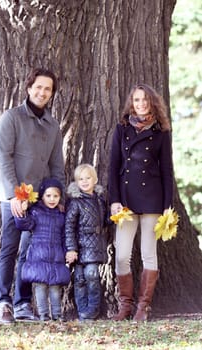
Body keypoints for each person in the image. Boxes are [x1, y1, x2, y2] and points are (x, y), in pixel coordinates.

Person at [0, 67, 65, 324]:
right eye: (38, 87)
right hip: (12, 196)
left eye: (48, 88)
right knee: (10, 249)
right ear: (28, 88)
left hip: (39, 200)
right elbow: (4, 157)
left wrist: (60, 199)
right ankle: (3, 303)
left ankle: (22, 303)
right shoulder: (11, 118)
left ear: (52, 93)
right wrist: (15, 195)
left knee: (29, 251)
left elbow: (57, 165)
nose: (42, 92)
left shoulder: (53, 125)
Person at [108, 83, 173, 322]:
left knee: (149, 253)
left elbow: (166, 170)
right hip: (125, 202)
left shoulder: (161, 132)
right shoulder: (121, 129)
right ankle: (125, 305)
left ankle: (143, 307)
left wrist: (168, 205)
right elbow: (113, 168)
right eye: (137, 100)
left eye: (145, 99)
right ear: (131, 104)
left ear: (152, 102)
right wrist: (113, 200)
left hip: (152, 201)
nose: (141, 104)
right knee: (122, 255)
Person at [14, 178, 70, 321]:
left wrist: (66, 252)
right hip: (38, 256)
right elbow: (24, 225)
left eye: (56, 196)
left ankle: (57, 315)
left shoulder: (61, 215)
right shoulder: (35, 212)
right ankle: (44, 315)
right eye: (48, 195)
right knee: (40, 287)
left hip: (56, 257)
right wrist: (24, 212)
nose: (52, 199)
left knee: (55, 288)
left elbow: (64, 236)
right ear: (42, 196)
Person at [65, 164, 108, 321]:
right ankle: (82, 310)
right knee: (79, 279)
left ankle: (92, 309)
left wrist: (116, 217)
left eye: (88, 178)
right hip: (78, 246)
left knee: (92, 275)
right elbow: (69, 227)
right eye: (80, 179)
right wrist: (71, 248)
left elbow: (104, 221)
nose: (84, 181)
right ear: (76, 182)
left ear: (95, 179)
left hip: (94, 246)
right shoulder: (75, 202)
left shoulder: (100, 200)